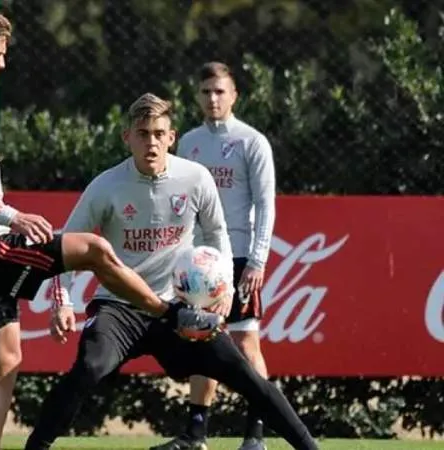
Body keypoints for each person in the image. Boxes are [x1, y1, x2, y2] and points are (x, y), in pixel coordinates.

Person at [0, 6, 218, 450]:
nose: (2, 63)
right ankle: (167, 314)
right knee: (95, 250)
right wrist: (12, 216)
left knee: (5, 360)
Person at [23, 93, 316, 450]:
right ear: (126, 137)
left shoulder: (195, 178)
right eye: (143, 133)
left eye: (159, 133)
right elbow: (66, 245)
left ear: (172, 137)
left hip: (179, 310)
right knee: (89, 366)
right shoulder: (105, 186)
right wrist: (62, 301)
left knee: (245, 374)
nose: (151, 142)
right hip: (120, 308)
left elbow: (217, 233)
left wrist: (221, 284)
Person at [152, 62, 278, 450]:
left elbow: (266, 204)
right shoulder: (188, 141)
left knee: (246, 345)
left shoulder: (251, 142)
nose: (212, 99)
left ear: (234, 95)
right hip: (196, 263)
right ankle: (196, 435)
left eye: (220, 91)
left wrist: (257, 260)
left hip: (238, 259)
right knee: (199, 340)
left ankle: (255, 436)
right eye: (206, 91)